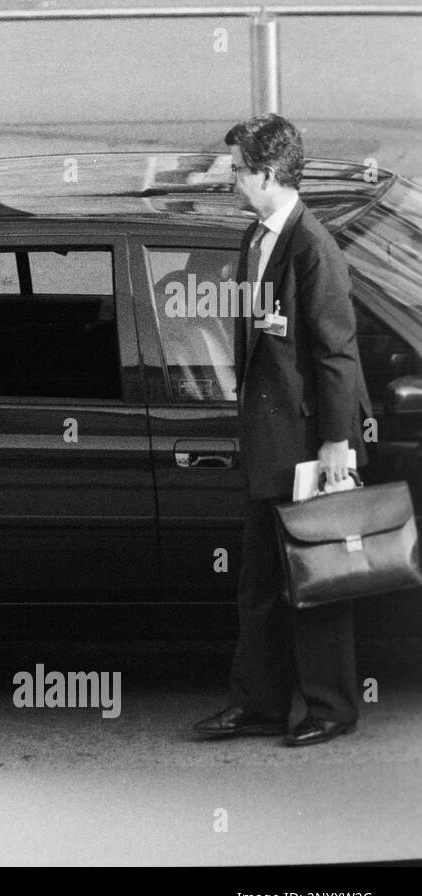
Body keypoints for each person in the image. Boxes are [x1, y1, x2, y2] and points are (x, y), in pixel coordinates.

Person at [193, 114, 372, 748]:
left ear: (268, 174)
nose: (231, 181)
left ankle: (331, 708)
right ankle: (260, 704)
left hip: (307, 449)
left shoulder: (311, 248)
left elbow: (336, 355)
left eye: (238, 171)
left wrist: (334, 447)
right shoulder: (256, 237)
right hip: (269, 447)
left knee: (316, 580)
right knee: (261, 584)